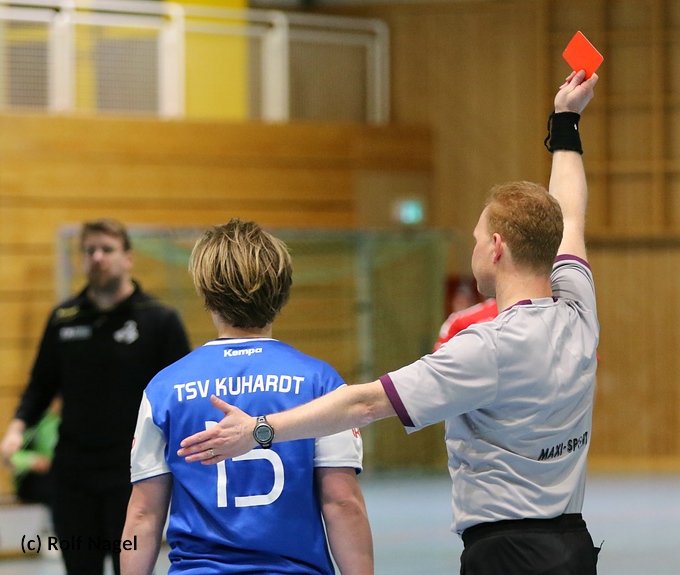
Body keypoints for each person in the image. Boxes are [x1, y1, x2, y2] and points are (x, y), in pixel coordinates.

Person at [177, 69, 600, 575]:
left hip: (507, 554)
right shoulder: (579, 309)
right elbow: (571, 216)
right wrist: (567, 121)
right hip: (573, 546)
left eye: (474, 239)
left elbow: (364, 403)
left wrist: (259, 430)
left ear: (495, 247)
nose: (471, 249)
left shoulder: (485, 348)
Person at [121, 219, 373, 575]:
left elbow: (144, 514)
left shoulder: (164, 388)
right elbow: (342, 502)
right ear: (282, 291)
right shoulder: (321, 383)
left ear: (206, 294)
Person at [0, 218, 191, 575]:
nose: (97, 257)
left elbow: (181, 395)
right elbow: (41, 385)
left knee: (129, 567)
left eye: (107, 249)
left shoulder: (158, 319)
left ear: (128, 258)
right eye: (89, 251)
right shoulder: (64, 318)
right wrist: (16, 430)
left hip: (132, 473)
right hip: (73, 474)